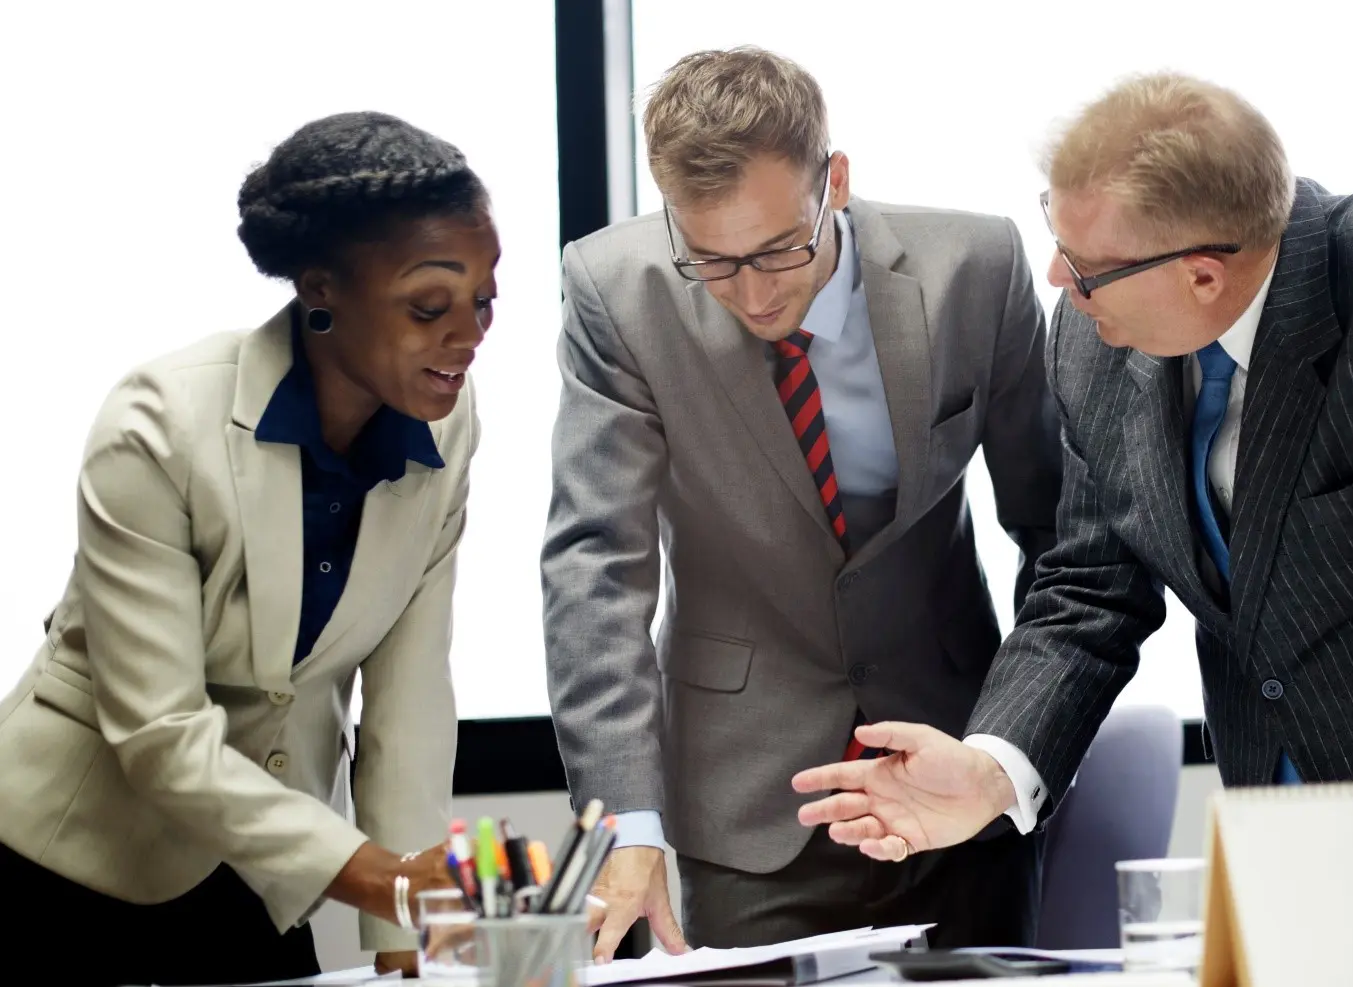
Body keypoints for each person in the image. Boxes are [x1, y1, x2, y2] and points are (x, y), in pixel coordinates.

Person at [794, 71, 1353, 906]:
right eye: (1056, 229)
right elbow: (1088, 590)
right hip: (1284, 843)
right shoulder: (1095, 340)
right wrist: (990, 768)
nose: (1055, 277)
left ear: (1202, 275)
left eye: (1085, 265)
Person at [543, 47, 1062, 957]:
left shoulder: (974, 268)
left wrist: (1005, 748)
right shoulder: (616, 295)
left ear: (838, 182)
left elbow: (1059, 536)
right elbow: (596, 573)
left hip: (955, 781)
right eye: (712, 260)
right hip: (746, 807)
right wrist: (630, 826)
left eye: (781, 248)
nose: (753, 292)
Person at [0, 111, 495, 986]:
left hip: (258, 872)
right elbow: (160, 732)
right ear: (321, 292)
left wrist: (410, 946)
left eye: (485, 300)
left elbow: (409, 703)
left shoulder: (446, 431)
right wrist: (387, 880)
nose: (469, 334)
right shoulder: (156, 424)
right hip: (67, 861)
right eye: (429, 307)